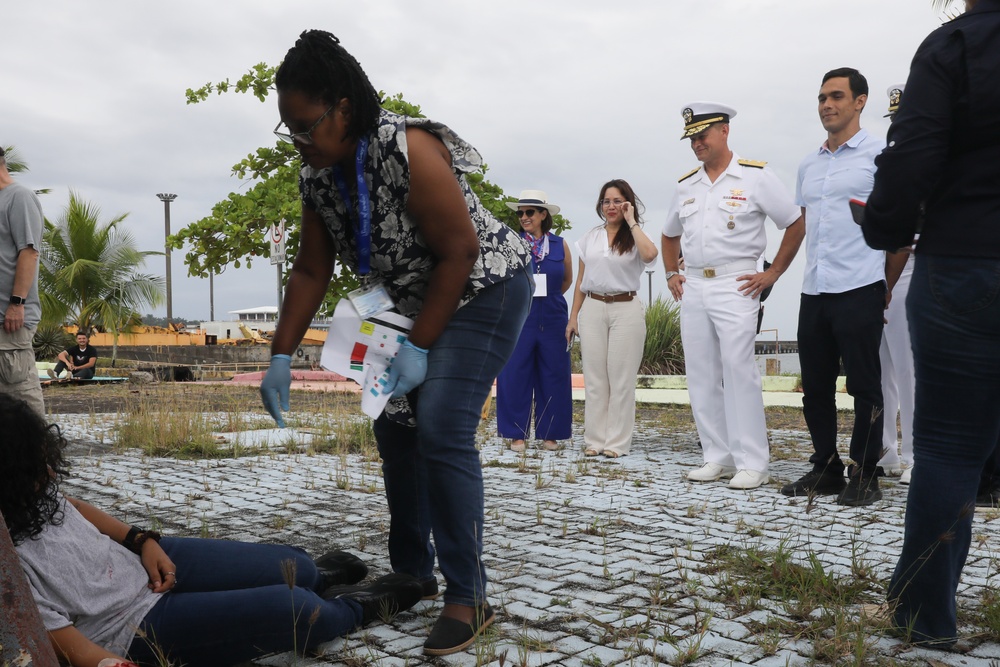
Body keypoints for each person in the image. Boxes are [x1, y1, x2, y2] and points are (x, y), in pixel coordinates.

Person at [258, 30, 532, 656]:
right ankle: (413, 569)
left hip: (482, 287)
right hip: (414, 300)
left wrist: (421, 348)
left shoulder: (406, 148)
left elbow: (460, 251)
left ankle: (469, 595)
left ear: (342, 108)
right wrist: (279, 354)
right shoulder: (317, 175)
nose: (299, 142)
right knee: (394, 426)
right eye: (288, 130)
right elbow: (308, 270)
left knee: (439, 425)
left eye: (306, 126)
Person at [1, 393, 424, 667]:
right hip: (131, 625)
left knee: (295, 565)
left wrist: (142, 540)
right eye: (38, 468)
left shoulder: (28, 490)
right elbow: (68, 645)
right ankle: (355, 608)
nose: (51, 472)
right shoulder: (7, 566)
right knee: (295, 608)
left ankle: (319, 578)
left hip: (141, 563)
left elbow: (71, 506)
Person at [861, 0, 1000, 647]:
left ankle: (924, 616)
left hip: (966, 261)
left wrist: (884, 226)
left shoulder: (954, 47)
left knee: (946, 446)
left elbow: (913, 156)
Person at [780, 67, 907, 507]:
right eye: (821, 98)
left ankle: (866, 472)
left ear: (859, 101)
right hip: (815, 289)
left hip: (860, 285)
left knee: (864, 386)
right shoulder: (808, 164)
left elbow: (898, 232)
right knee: (814, 385)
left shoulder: (879, 156)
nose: (827, 105)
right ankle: (826, 467)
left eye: (836, 96)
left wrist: (883, 285)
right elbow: (803, 226)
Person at [662, 103, 804, 490]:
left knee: (739, 371)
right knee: (701, 373)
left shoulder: (756, 177)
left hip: (736, 283)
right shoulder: (687, 184)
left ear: (724, 131)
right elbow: (669, 233)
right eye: (691, 138)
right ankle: (716, 455)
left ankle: (753, 461)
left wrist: (772, 273)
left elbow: (794, 221)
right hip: (694, 284)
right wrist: (672, 272)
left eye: (702, 135)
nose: (696, 144)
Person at [566, 179, 658, 458]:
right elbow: (581, 280)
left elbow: (651, 255)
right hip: (593, 306)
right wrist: (573, 318)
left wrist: (632, 222)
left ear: (628, 203)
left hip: (626, 307)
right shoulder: (589, 238)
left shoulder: (635, 236)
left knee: (621, 379)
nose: (611, 206)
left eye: (618, 201)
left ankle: (616, 443)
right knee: (595, 378)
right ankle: (594, 440)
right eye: (607, 201)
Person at [496, 190, 573, 453]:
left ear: (543, 215)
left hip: (553, 315)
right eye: (520, 213)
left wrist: (548, 299)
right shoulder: (511, 243)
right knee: (514, 372)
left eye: (529, 212)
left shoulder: (560, 244)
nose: (524, 217)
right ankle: (516, 434)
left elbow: (567, 280)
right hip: (520, 315)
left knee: (554, 373)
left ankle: (550, 433)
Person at [874, 84, 915, 485]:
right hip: (878, 267)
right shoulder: (885, 161)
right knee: (880, 369)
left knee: (909, 369)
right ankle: (885, 452)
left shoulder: (932, 161)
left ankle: (916, 453)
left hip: (915, 267)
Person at [0, 145, 45, 416]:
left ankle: (40, 458)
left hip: (9, 320)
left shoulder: (19, 197)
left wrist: (17, 303)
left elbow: (29, 252)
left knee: (21, 405)